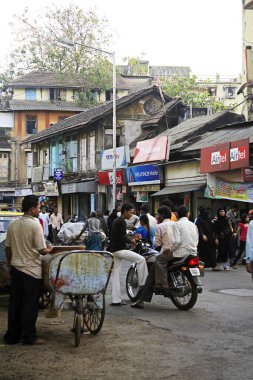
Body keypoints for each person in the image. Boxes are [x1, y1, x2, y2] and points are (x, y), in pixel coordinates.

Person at [4, 195, 53, 345]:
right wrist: (50, 249)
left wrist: (11, 265)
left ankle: (12, 336)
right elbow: (41, 250)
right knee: (29, 305)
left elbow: (8, 248)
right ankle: (29, 337)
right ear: (32, 209)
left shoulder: (13, 224)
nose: (39, 209)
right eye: (38, 207)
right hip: (31, 272)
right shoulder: (35, 225)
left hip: (17, 270)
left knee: (15, 305)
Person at [132, 205, 198, 309]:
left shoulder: (167, 225)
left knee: (155, 267)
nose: (157, 216)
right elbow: (196, 239)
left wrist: (170, 249)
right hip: (192, 252)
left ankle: (161, 284)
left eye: (158, 214)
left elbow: (165, 243)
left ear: (162, 215)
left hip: (175, 253)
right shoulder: (192, 225)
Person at [110, 203, 148, 306]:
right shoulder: (121, 221)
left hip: (114, 250)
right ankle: (142, 284)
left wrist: (131, 239)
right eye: (130, 212)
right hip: (119, 250)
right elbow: (123, 237)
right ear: (125, 211)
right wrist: (132, 241)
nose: (131, 215)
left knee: (115, 275)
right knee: (141, 260)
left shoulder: (116, 221)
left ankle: (115, 300)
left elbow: (120, 236)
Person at [195, 207, 219, 271]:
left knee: (212, 252)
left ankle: (214, 265)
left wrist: (215, 237)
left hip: (210, 238)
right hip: (202, 240)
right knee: (202, 253)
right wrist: (202, 234)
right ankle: (201, 268)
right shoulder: (199, 219)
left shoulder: (208, 219)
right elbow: (198, 227)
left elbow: (213, 229)